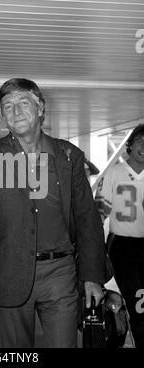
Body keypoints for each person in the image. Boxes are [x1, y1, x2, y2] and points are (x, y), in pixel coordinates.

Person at [0, 78, 106, 348]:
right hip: (10, 270)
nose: (15, 112)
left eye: (23, 103)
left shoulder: (68, 155)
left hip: (60, 274)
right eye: (7, 106)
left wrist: (92, 277)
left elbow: (87, 219)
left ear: (41, 108)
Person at [95, 124, 144, 348]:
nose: (143, 146)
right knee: (136, 300)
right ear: (130, 145)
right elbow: (98, 214)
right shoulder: (114, 173)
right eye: (139, 141)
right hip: (123, 246)